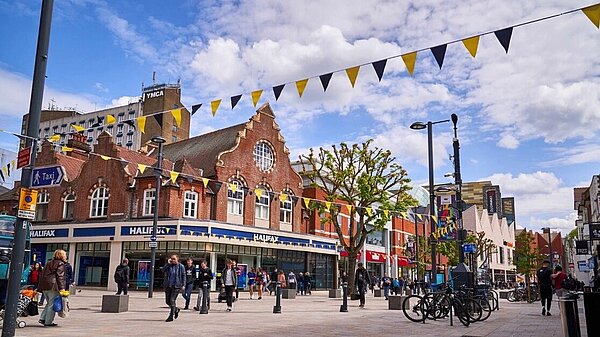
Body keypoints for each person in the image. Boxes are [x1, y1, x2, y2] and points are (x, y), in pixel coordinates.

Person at [37, 249, 67, 327]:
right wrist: (62, 288)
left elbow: (42, 275)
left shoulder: (48, 263)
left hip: (45, 286)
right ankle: (48, 321)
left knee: (49, 303)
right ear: (61, 255)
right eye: (65, 254)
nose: (66, 256)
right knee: (52, 304)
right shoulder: (60, 264)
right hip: (53, 286)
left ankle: (43, 318)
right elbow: (60, 276)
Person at [162, 254, 185, 322]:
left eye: (174, 259)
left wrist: (183, 285)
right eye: (171, 259)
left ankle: (171, 316)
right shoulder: (169, 266)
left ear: (177, 259)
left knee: (172, 300)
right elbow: (163, 270)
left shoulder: (181, 266)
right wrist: (168, 264)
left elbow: (184, 276)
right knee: (167, 301)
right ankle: (176, 309)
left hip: (176, 286)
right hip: (168, 285)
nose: (172, 260)